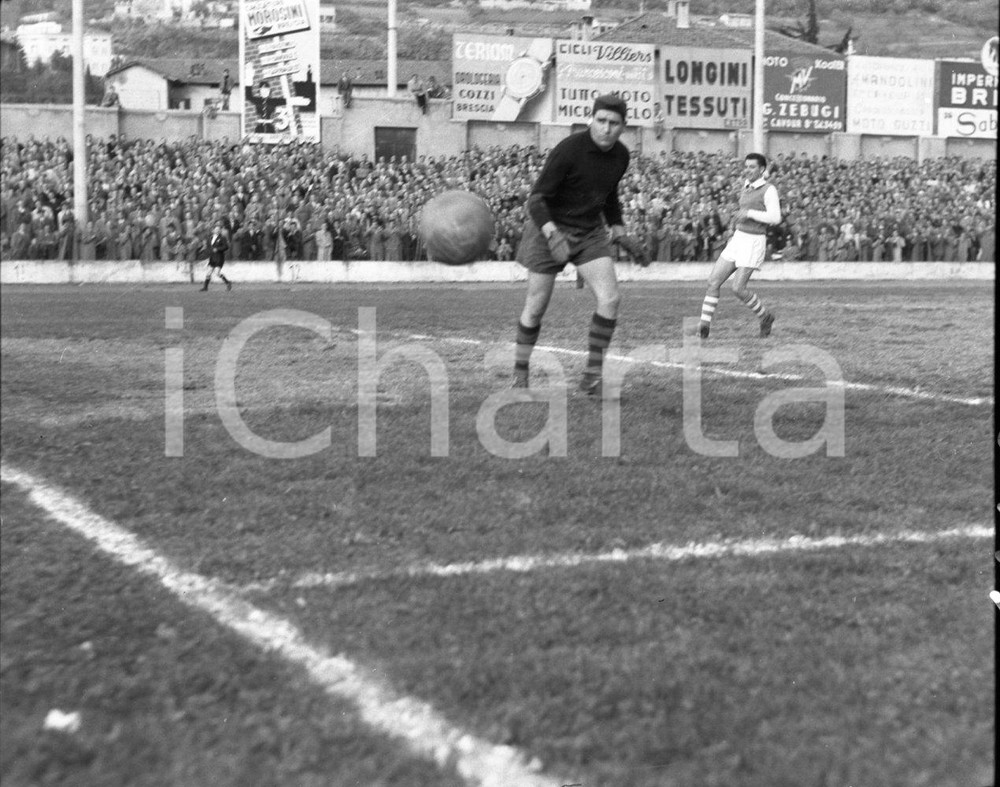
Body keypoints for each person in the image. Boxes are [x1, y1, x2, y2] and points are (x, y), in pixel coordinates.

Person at [511, 93, 649, 397]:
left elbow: (608, 195)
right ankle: (520, 373)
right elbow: (536, 199)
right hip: (549, 227)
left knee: (610, 299)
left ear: (623, 127)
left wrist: (620, 230)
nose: (606, 128)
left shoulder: (621, 156)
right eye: (600, 120)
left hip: (588, 231)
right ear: (592, 119)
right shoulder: (569, 150)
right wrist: (551, 234)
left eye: (614, 123)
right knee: (535, 308)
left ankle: (591, 376)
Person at [695, 153, 781, 339]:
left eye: (752, 167)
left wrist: (749, 213)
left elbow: (775, 218)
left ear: (761, 170)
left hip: (754, 241)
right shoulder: (746, 186)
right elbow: (744, 212)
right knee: (713, 281)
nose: (747, 170)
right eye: (746, 166)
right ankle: (704, 326)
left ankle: (765, 316)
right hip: (738, 238)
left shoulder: (769, 190)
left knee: (738, 288)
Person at [200, 223, 232, 291]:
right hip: (212, 258)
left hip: (219, 258)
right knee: (208, 273)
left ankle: (228, 282)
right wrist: (206, 253)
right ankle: (205, 287)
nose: (217, 230)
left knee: (217, 273)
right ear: (213, 230)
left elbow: (226, 247)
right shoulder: (210, 238)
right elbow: (209, 248)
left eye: (219, 229)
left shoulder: (222, 238)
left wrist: (218, 249)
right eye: (216, 229)